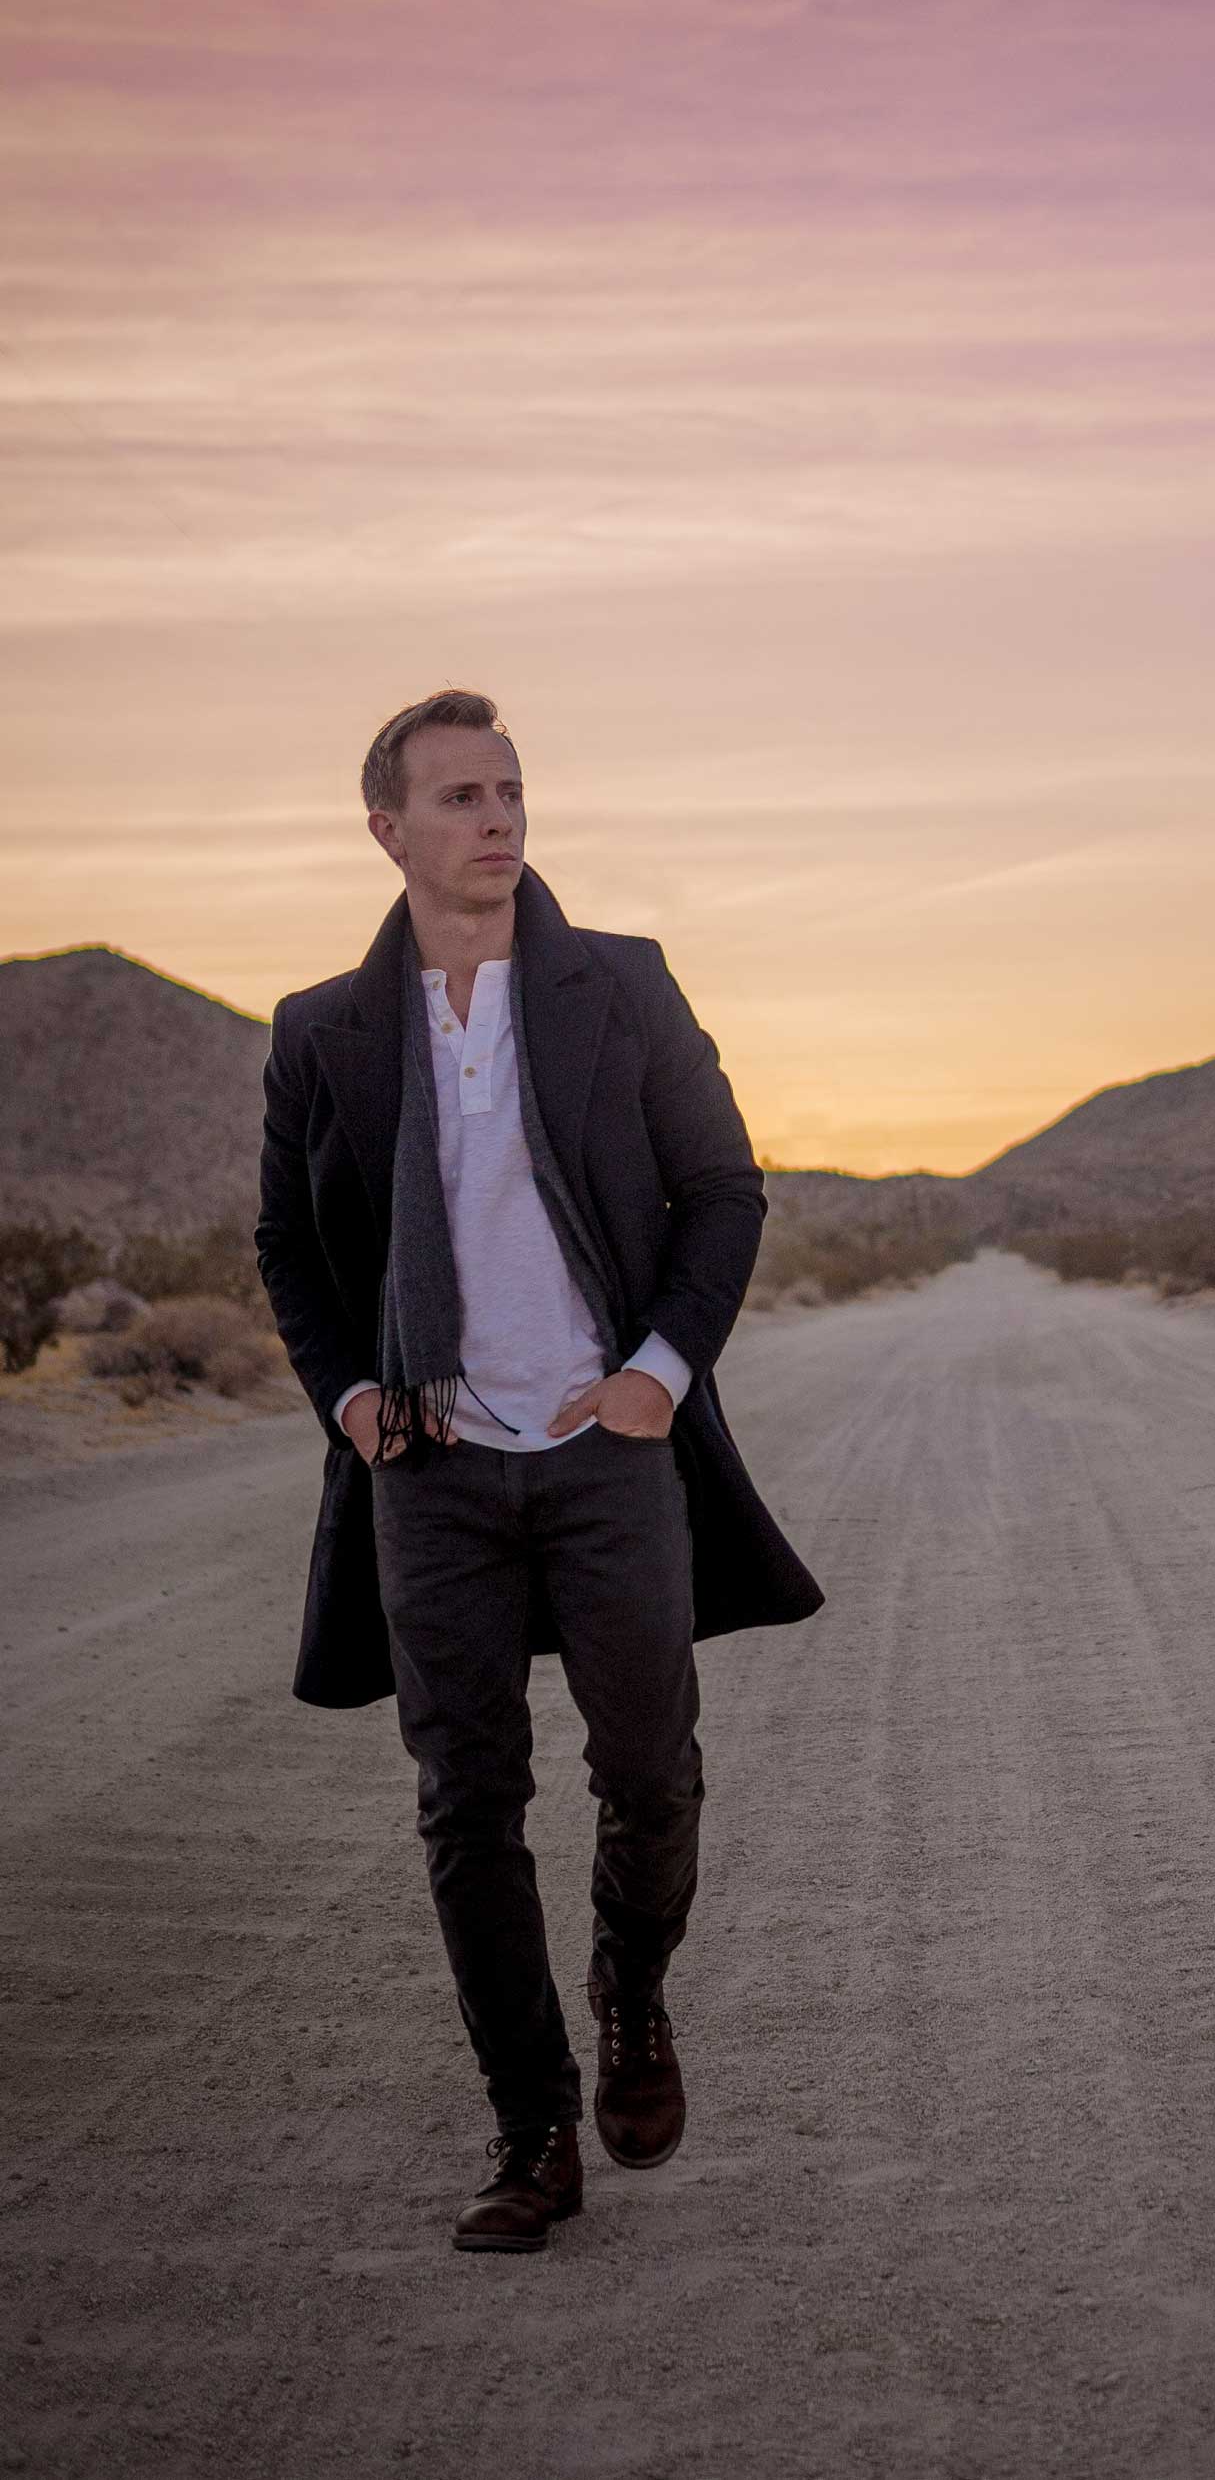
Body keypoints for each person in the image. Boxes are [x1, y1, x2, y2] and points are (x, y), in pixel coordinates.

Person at [255, 688, 823, 2253]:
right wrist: (355, 1400)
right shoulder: (325, 1029)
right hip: (429, 1463)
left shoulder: (619, 987)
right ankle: (533, 2127)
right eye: (457, 797)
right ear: (389, 830)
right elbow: (288, 1250)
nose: (497, 817)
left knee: (650, 1771)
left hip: (600, 1449)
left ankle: (631, 1990)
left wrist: (653, 1377)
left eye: (509, 790)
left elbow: (722, 1190)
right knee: (467, 1805)